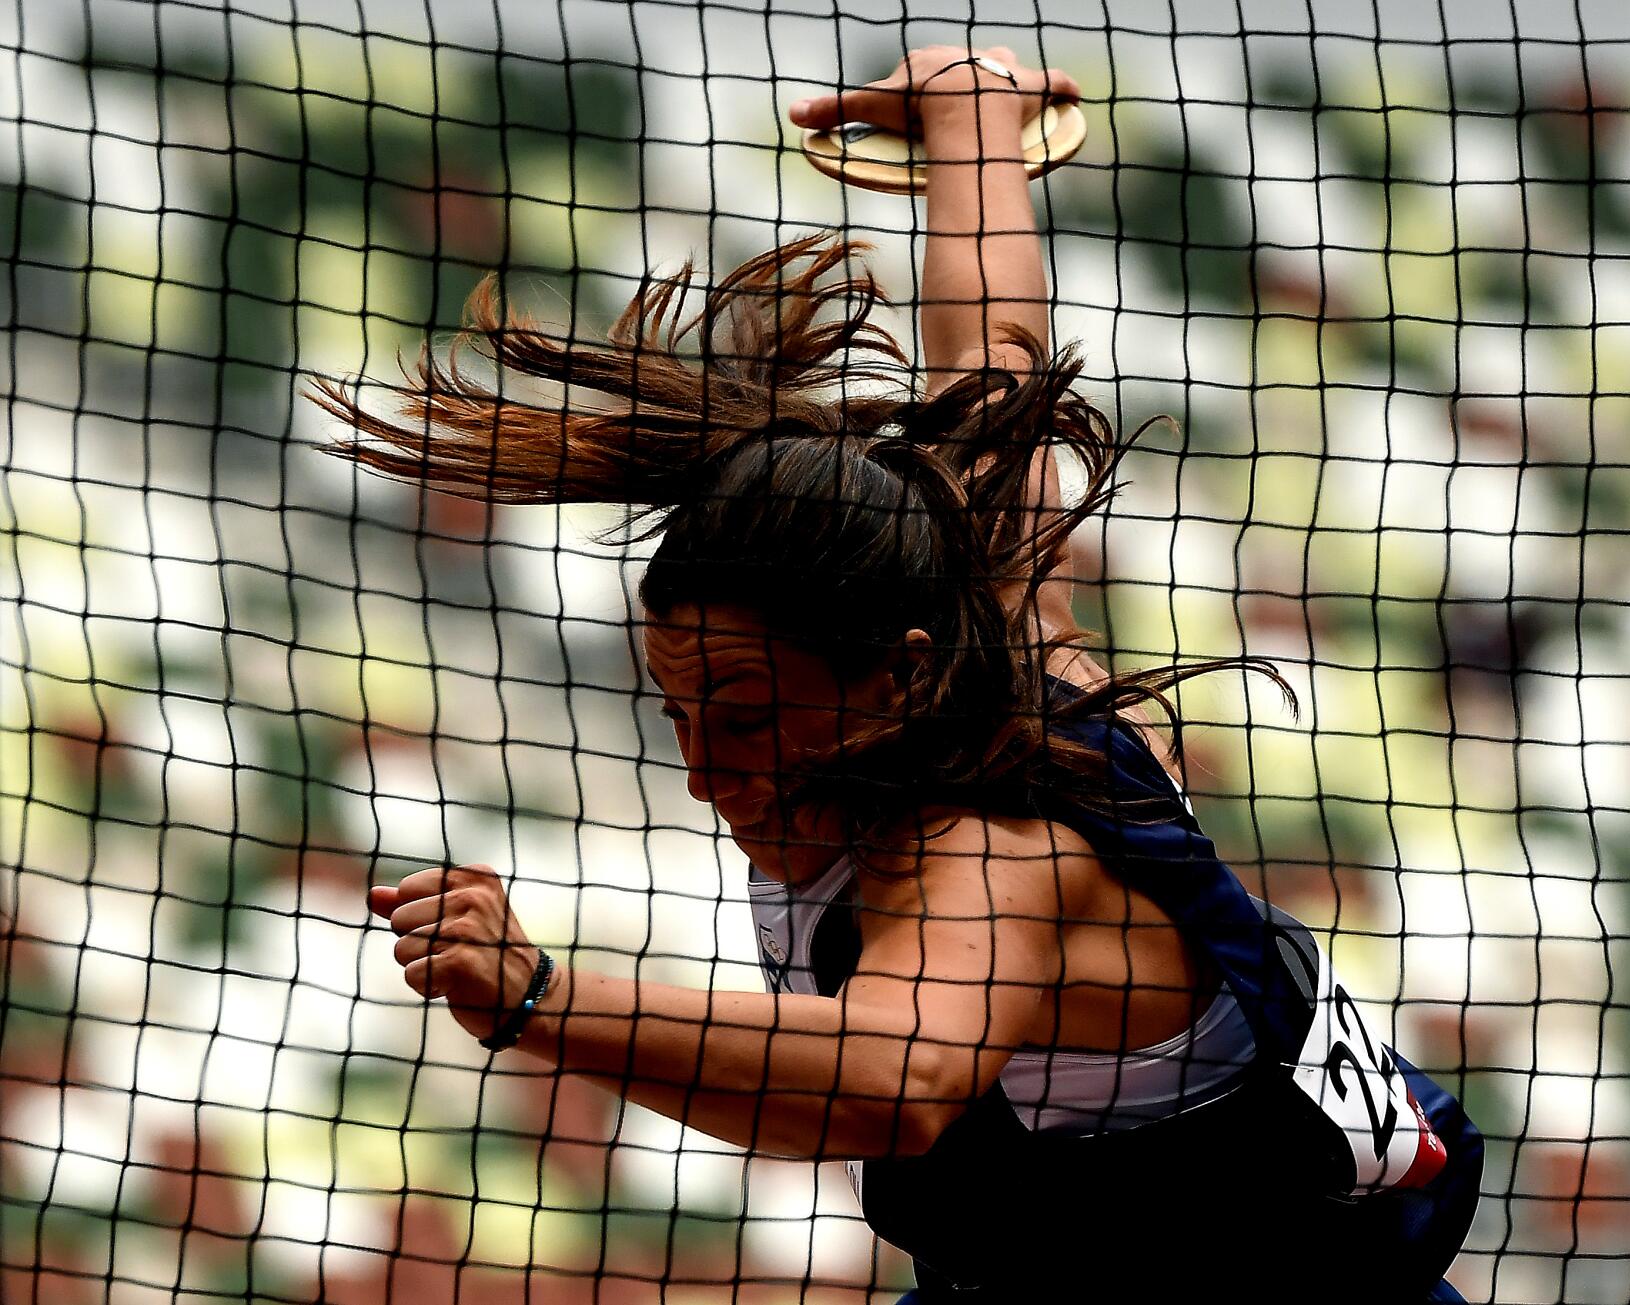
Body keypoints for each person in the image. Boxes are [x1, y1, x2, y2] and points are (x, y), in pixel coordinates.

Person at [314, 45, 1481, 1301]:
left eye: (753, 718)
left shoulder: (997, 855)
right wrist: (974, 119)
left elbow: (898, 1081)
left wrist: (541, 998)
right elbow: (996, 359)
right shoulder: (990, 605)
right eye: (682, 716)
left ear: (899, 675)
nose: (708, 775)